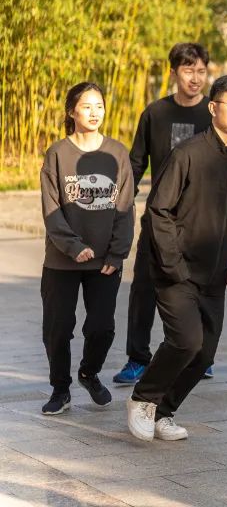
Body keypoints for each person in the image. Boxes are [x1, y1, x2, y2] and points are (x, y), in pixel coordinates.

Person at [126, 75, 227, 442]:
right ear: (213, 108)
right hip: (175, 271)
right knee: (186, 341)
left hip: (214, 277)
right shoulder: (187, 154)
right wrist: (173, 263)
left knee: (204, 354)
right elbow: (159, 210)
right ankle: (143, 399)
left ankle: (164, 411)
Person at [114, 43, 213, 386]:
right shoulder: (155, 113)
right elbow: (135, 163)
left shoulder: (213, 114)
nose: (195, 78)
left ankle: (201, 356)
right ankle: (137, 359)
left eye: (201, 71)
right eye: (188, 70)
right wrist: (121, 203)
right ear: (173, 73)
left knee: (200, 288)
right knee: (144, 286)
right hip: (159, 218)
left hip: (201, 220)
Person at [39, 83, 134, 415]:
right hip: (61, 260)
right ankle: (60, 389)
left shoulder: (117, 153)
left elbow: (125, 206)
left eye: (100, 106)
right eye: (87, 106)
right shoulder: (57, 154)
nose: (95, 113)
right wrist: (72, 246)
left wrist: (117, 253)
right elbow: (51, 208)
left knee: (102, 328)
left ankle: (88, 373)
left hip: (104, 262)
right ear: (72, 111)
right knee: (57, 328)